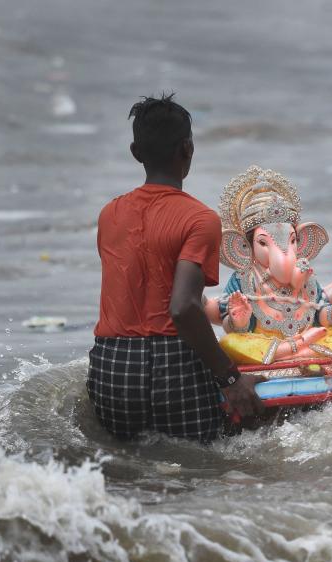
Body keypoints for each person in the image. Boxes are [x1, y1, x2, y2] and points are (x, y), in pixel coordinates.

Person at [86, 94, 263, 443]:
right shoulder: (199, 219)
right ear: (188, 149)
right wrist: (230, 379)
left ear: (136, 152)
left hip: (110, 364)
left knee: (125, 469)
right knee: (197, 471)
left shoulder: (110, 214)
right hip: (171, 363)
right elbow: (183, 307)